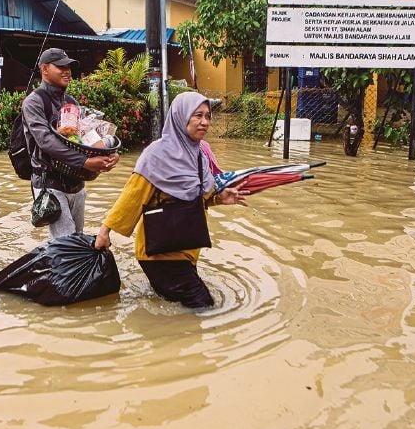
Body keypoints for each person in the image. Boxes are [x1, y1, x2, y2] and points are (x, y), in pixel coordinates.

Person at [93, 92, 247, 309]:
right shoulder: (156, 155)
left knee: (178, 305)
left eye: (208, 116)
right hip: (159, 253)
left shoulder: (199, 155)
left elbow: (190, 199)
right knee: (204, 307)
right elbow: (132, 197)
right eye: (197, 116)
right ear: (181, 117)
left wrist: (219, 198)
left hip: (186, 250)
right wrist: (104, 232)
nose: (204, 122)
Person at [22, 47, 118, 238]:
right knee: (66, 244)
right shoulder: (33, 102)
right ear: (44, 69)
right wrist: (85, 162)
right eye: (60, 66)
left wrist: (108, 153)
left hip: (77, 182)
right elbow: (46, 141)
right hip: (50, 183)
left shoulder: (71, 102)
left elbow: (85, 137)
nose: (67, 71)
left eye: (69, 67)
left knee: (78, 238)